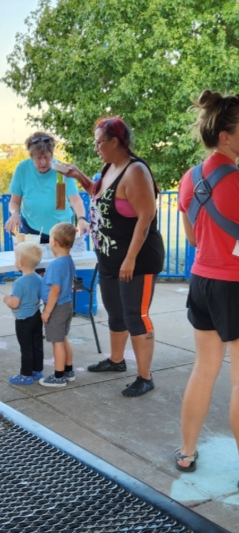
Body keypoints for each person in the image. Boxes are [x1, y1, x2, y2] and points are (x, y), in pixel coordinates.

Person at [65, 116, 165, 397]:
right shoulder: (110, 166)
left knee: (136, 315)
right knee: (115, 312)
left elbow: (146, 216)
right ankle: (116, 360)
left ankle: (145, 377)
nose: (97, 147)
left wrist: (130, 258)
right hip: (110, 258)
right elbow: (98, 194)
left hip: (137, 260)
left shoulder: (135, 172)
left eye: (99, 142)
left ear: (115, 142)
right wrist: (80, 176)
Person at [175, 90, 239, 476]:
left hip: (201, 280)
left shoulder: (189, 178)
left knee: (204, 369)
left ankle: (186, 451)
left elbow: (194, 239)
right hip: (233, 285)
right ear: (226, 136)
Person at [4, 132, 90, 243]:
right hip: (31, 229)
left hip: (61, 229)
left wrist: (82, 219)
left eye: (47, 157)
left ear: (52, 154)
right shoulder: (22, 169)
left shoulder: (61, 170)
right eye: (39, 158)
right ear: (31, 157)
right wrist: (14, 214)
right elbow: (14, 202)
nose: (43, 162)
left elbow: (75, 200)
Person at [39, 222, 76, 387]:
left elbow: (55, 290)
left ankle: (58, 375)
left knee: (57, 342)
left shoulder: (55, 264)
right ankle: (69, 370)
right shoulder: (68, 260)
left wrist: (47, 311)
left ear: (53, 242)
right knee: (63, 337)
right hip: (66, 304)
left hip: (57, 306)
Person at [3, 242, 44, 385]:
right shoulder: (39, 278)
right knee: (37, 344)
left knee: (26, 347)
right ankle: (37, 370)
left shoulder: (19, 283)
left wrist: (7, 299)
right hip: (36, 316)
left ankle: (25, 375)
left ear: (20, 263)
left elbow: (15, 303)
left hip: (23, 320)